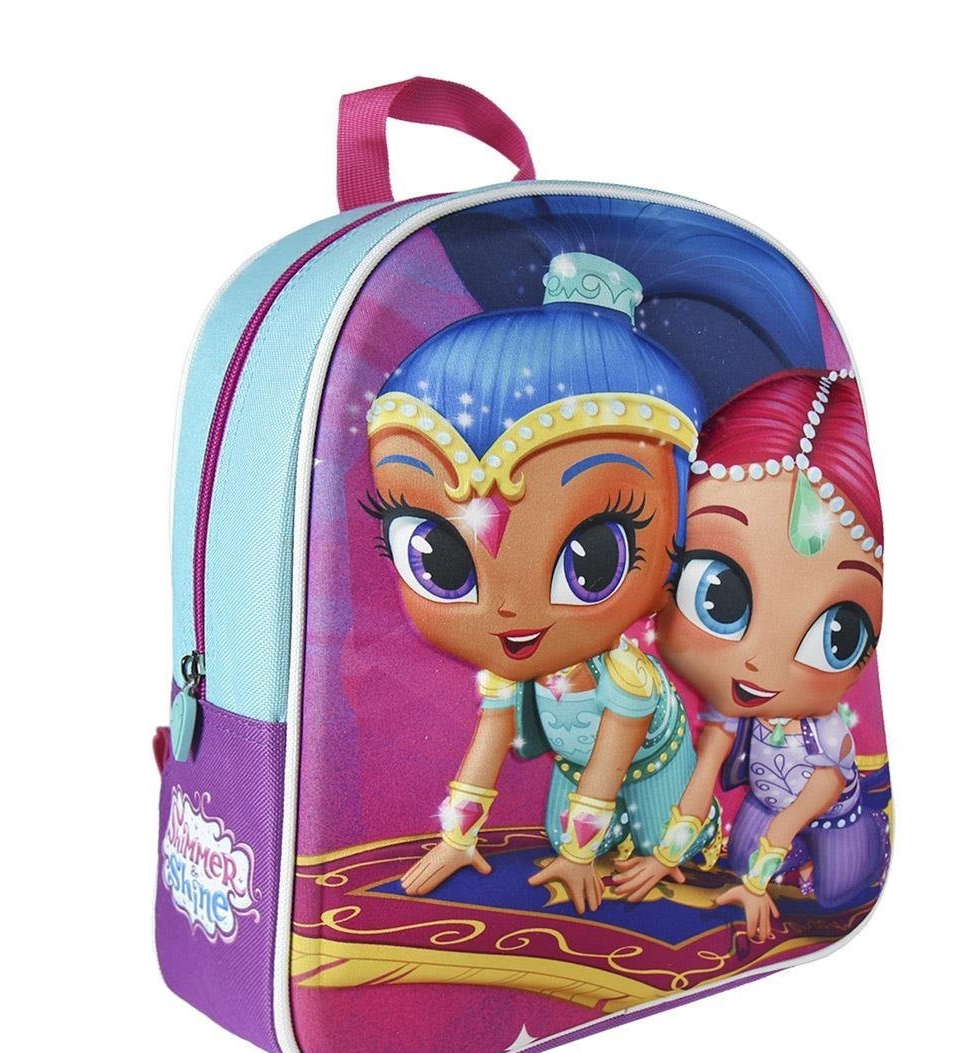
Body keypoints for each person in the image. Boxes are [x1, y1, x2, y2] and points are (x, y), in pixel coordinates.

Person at [363, 252, 721, 914]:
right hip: (577, 774)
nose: (507, 609)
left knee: (658, 848)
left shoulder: (626, 676)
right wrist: (456, 838)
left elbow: (612, 760)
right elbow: (489, 742)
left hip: (654, 768)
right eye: (439, 560)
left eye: (592, 561)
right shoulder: (511, 674)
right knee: (567, 836)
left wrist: (584, 855)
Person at [614, 369, 889, 937]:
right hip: (764, 806)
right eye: (718, 596)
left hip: (827, 815)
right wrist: (666, 857)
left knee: (840, 892)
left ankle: (851, 846)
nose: (762, 664)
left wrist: (770, 860)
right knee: (740, 865)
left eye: (837, 635)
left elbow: (821, 788)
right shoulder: (729, 716)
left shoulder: (823, 729)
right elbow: (702, 783)